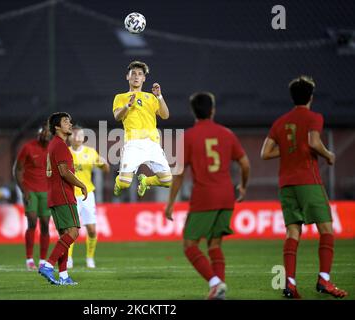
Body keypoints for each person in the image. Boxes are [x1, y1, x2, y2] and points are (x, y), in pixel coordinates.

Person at [261, 75, 348, 299]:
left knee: (292, 231)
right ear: (311, 96)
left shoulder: (280, 122)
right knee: (327, 229)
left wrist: (290, 149)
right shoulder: (314, 117)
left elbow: (265, 153)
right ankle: (324, 281)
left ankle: (289, 284)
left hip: (286, 184)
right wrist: (328, 155)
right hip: (308, 181)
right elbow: (313, 142)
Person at [165, 92, 250, 300]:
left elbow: (178, 174)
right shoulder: (227, 134)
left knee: (189, 245)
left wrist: (170, 204)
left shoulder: (189, 137)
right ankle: (218, 292)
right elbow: (245, 163)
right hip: (226, 196)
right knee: (214, 244)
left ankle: (215, 283)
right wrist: (243, 187)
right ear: (213, 110)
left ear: (193, 111)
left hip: (205, 197)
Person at [38, 112, 87, 286]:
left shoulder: (54, 145)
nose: (70, 123)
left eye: (70, 120)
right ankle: (48, 265)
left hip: (54, 195)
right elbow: (65, 172)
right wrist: (82, 185)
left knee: (65, 236)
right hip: (64, 194)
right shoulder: (60, 146)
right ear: (57, 127)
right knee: (73, 232)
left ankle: (64, 276)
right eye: (66, 121)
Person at [112, 61, 172, 198]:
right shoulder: (120, 97)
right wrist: (127, 106)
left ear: (144, 78)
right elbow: (116, 116)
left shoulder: (151, 97)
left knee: (167, 181)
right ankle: (118, 181)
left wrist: (160, 97)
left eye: (140, 74)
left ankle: (145, 180)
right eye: (133, 74)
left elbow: (165, 115)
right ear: (127, 77)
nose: (136, 76)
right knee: (125, 184)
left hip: (152, 144)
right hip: (133, 144)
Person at [67, 125, 110, 269]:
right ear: (69, 137)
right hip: (70, 195)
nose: (77, 138)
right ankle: (68, 259)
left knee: (91, 229)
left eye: (80, 135)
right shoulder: (65, 153)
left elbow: (105, 169)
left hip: (87, 195)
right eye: (74, 135)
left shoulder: (90, 152)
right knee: (71, 229)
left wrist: (104, 164)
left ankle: (90, 258)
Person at [14, 123, 52, 271]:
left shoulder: (52, 149)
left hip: (46, 192)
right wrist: (24, 190)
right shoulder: (28, 148)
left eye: (49, 135)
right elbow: (18, 170)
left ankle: (42, 260)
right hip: (30, 190)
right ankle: (29, 259)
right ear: (39, 134)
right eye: (45, 134)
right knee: (31, 221)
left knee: (44, 224)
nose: (47, 137)